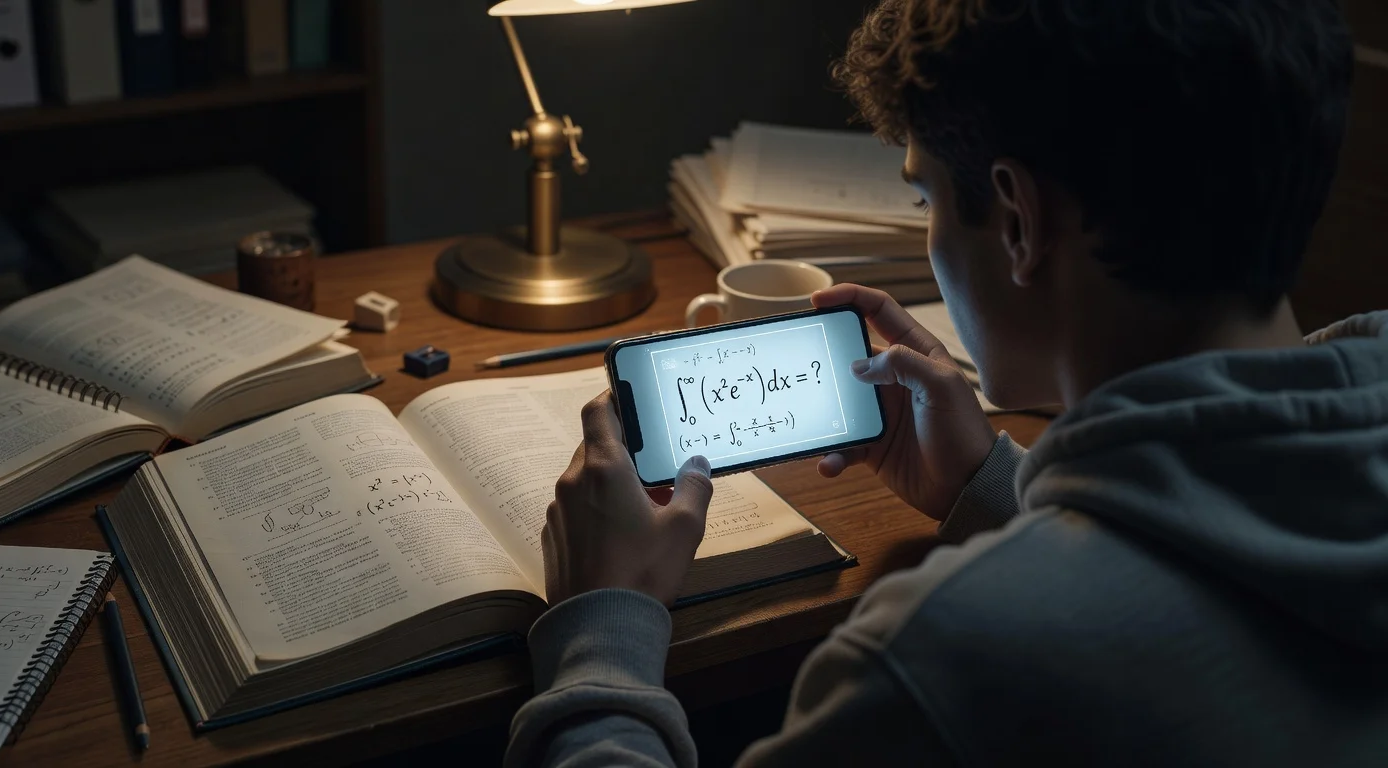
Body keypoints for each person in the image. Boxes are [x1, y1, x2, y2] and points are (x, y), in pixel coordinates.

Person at [505, 0, 1388, 765]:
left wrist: (602, 635)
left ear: (1016, 221)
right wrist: (993, 491)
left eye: (922, 199)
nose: (926, 227)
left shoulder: (946, 659)